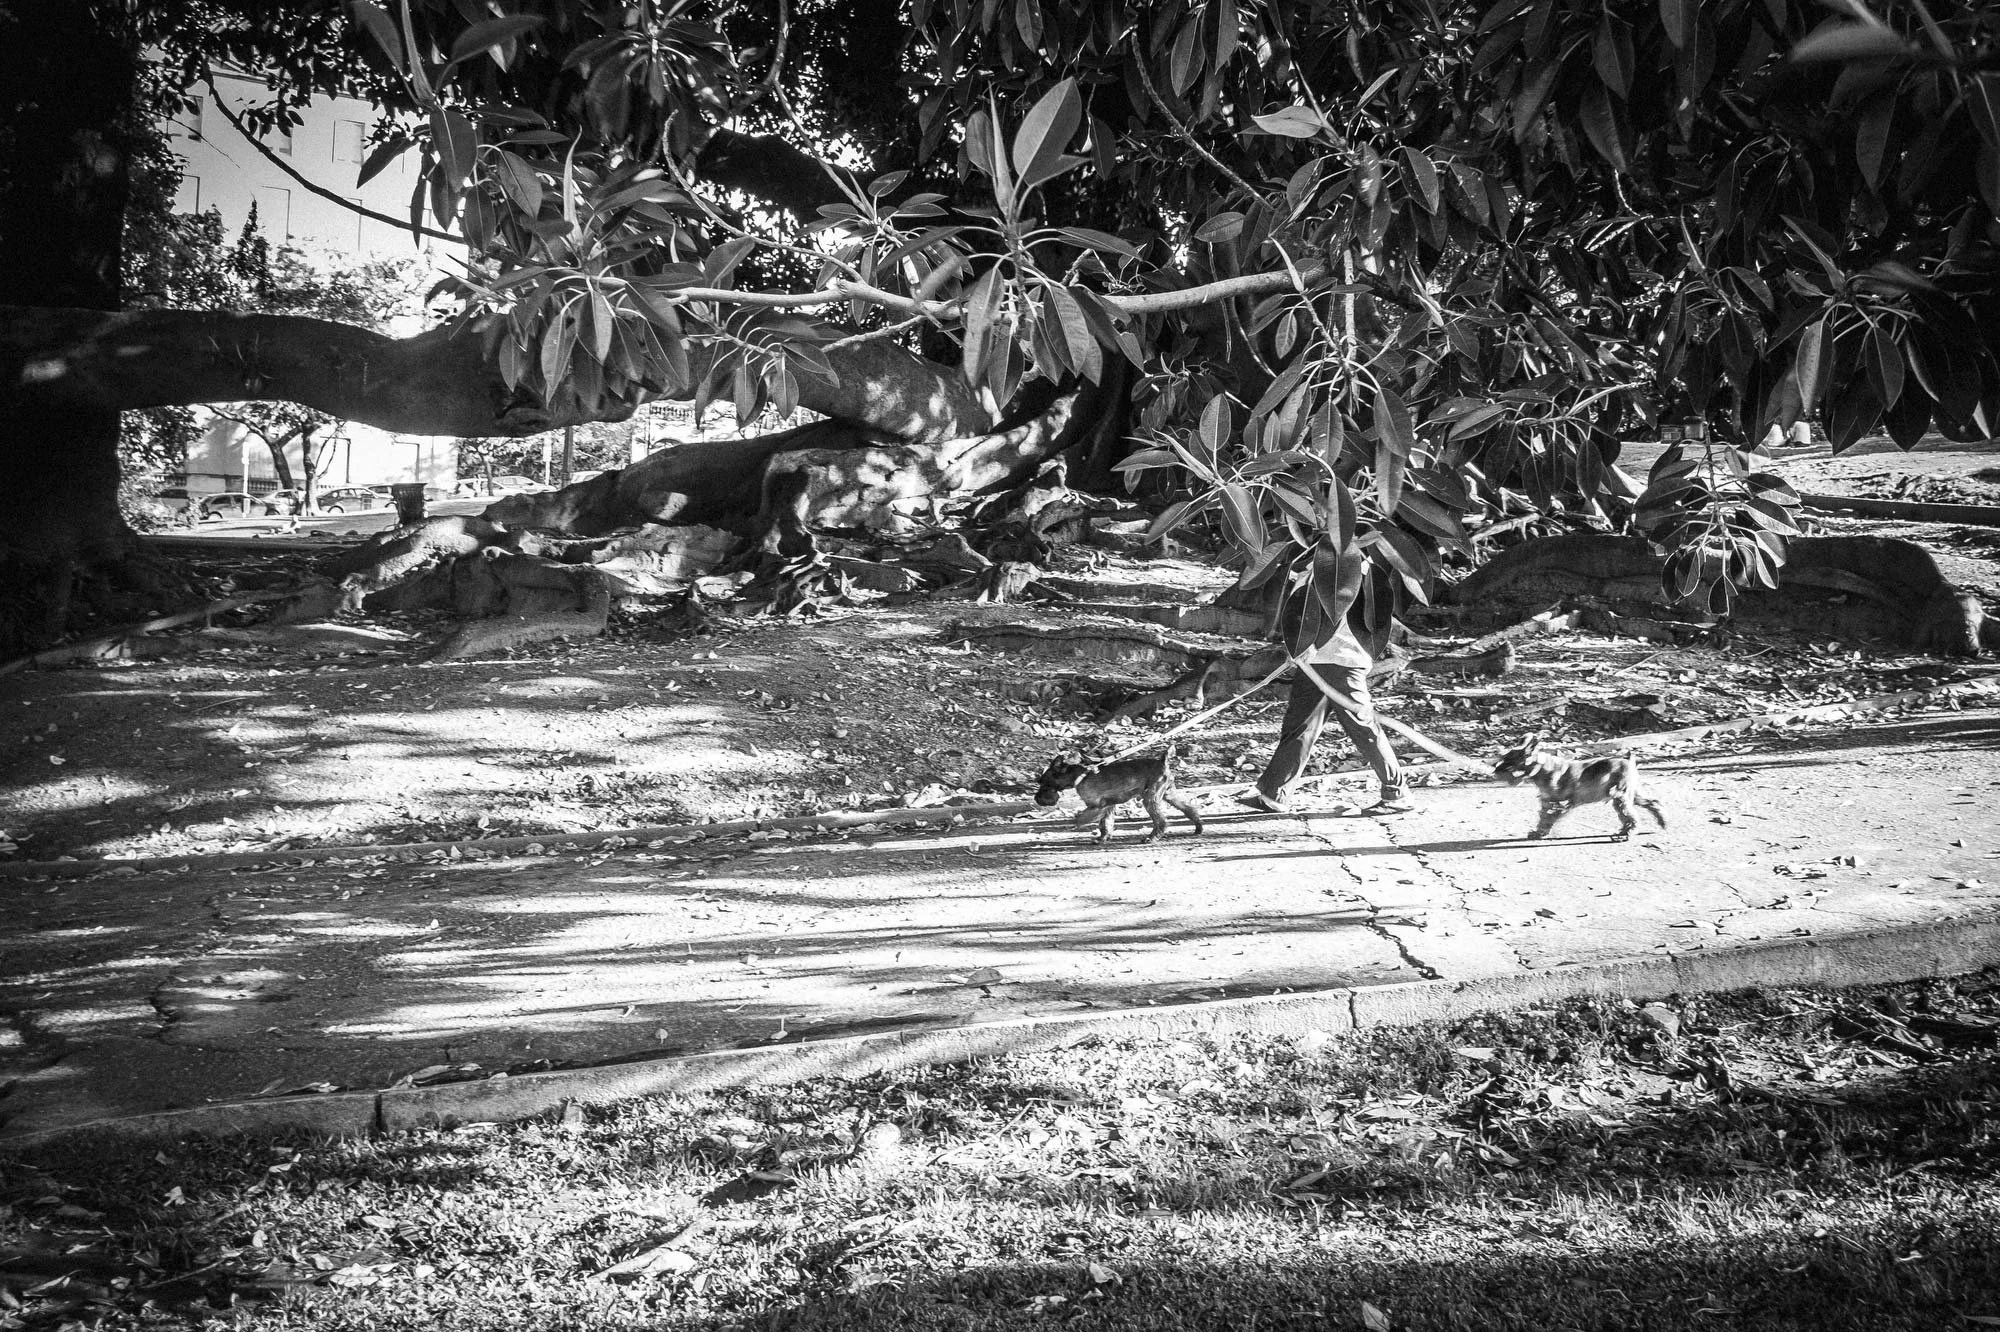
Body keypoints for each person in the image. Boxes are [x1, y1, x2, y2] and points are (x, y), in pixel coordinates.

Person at [1237, 551, 1411, 817]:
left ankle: (1397, 793)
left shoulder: (1355, 568)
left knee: (1362, 727)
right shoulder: (1317, 563)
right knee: (1299, 726)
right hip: (1315, 660)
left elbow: (1340, 611)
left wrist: (1309, 644)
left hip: (1341, 660)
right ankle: (1274, 794)